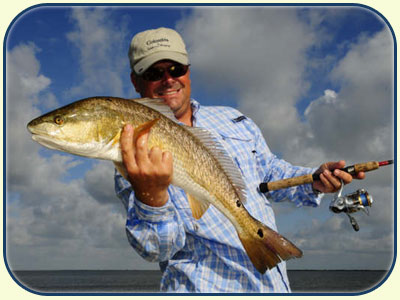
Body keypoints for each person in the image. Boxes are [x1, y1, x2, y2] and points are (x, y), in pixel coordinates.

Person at [114, 27, 365, 293]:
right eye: (154, 73)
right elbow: (157, 248)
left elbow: (268, 172)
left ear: (188, 71)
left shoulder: (233, 119)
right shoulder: (131, 153)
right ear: (135, 81)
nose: (168, 79)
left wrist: (316, 180)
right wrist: (151, 196)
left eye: (176, 69)